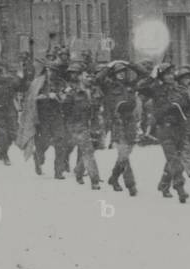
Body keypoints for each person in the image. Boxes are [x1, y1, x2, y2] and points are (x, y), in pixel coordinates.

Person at [138, 63, 190, 203]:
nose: (170, 76)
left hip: (180, 128)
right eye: (166, 74)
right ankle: (180, 188)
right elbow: (140, 88)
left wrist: (182, 107)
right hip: (165, 128)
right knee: (174, 159)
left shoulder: (180, 89)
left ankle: (164, 184)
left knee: (175, 158)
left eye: (171, 73)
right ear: (161, 76)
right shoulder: (156, 89)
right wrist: (151, 77)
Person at [96, 60, 145, 196]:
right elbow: (98, 79)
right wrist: (109, 66)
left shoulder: (131, 85)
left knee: (126, 153)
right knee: (123, 154)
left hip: (130, 122)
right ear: (114, 74)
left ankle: (113, 178)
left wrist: (131, 64)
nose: (121, 74)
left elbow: (144, 75)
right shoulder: (109, 87)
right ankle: (131, 185)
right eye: (118, 72)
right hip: (117, 122)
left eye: (123, 72)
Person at [60, 62, 102, 190]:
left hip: (93, 123)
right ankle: (95, 180)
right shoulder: (71, 92)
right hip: (78, 124)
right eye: (84, 75)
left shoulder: (94, 89)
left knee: (90, 149)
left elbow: (98, 104)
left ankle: (79, 171)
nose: (87, 77)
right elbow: (65, 109)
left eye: (88, 75)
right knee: (88, 151)